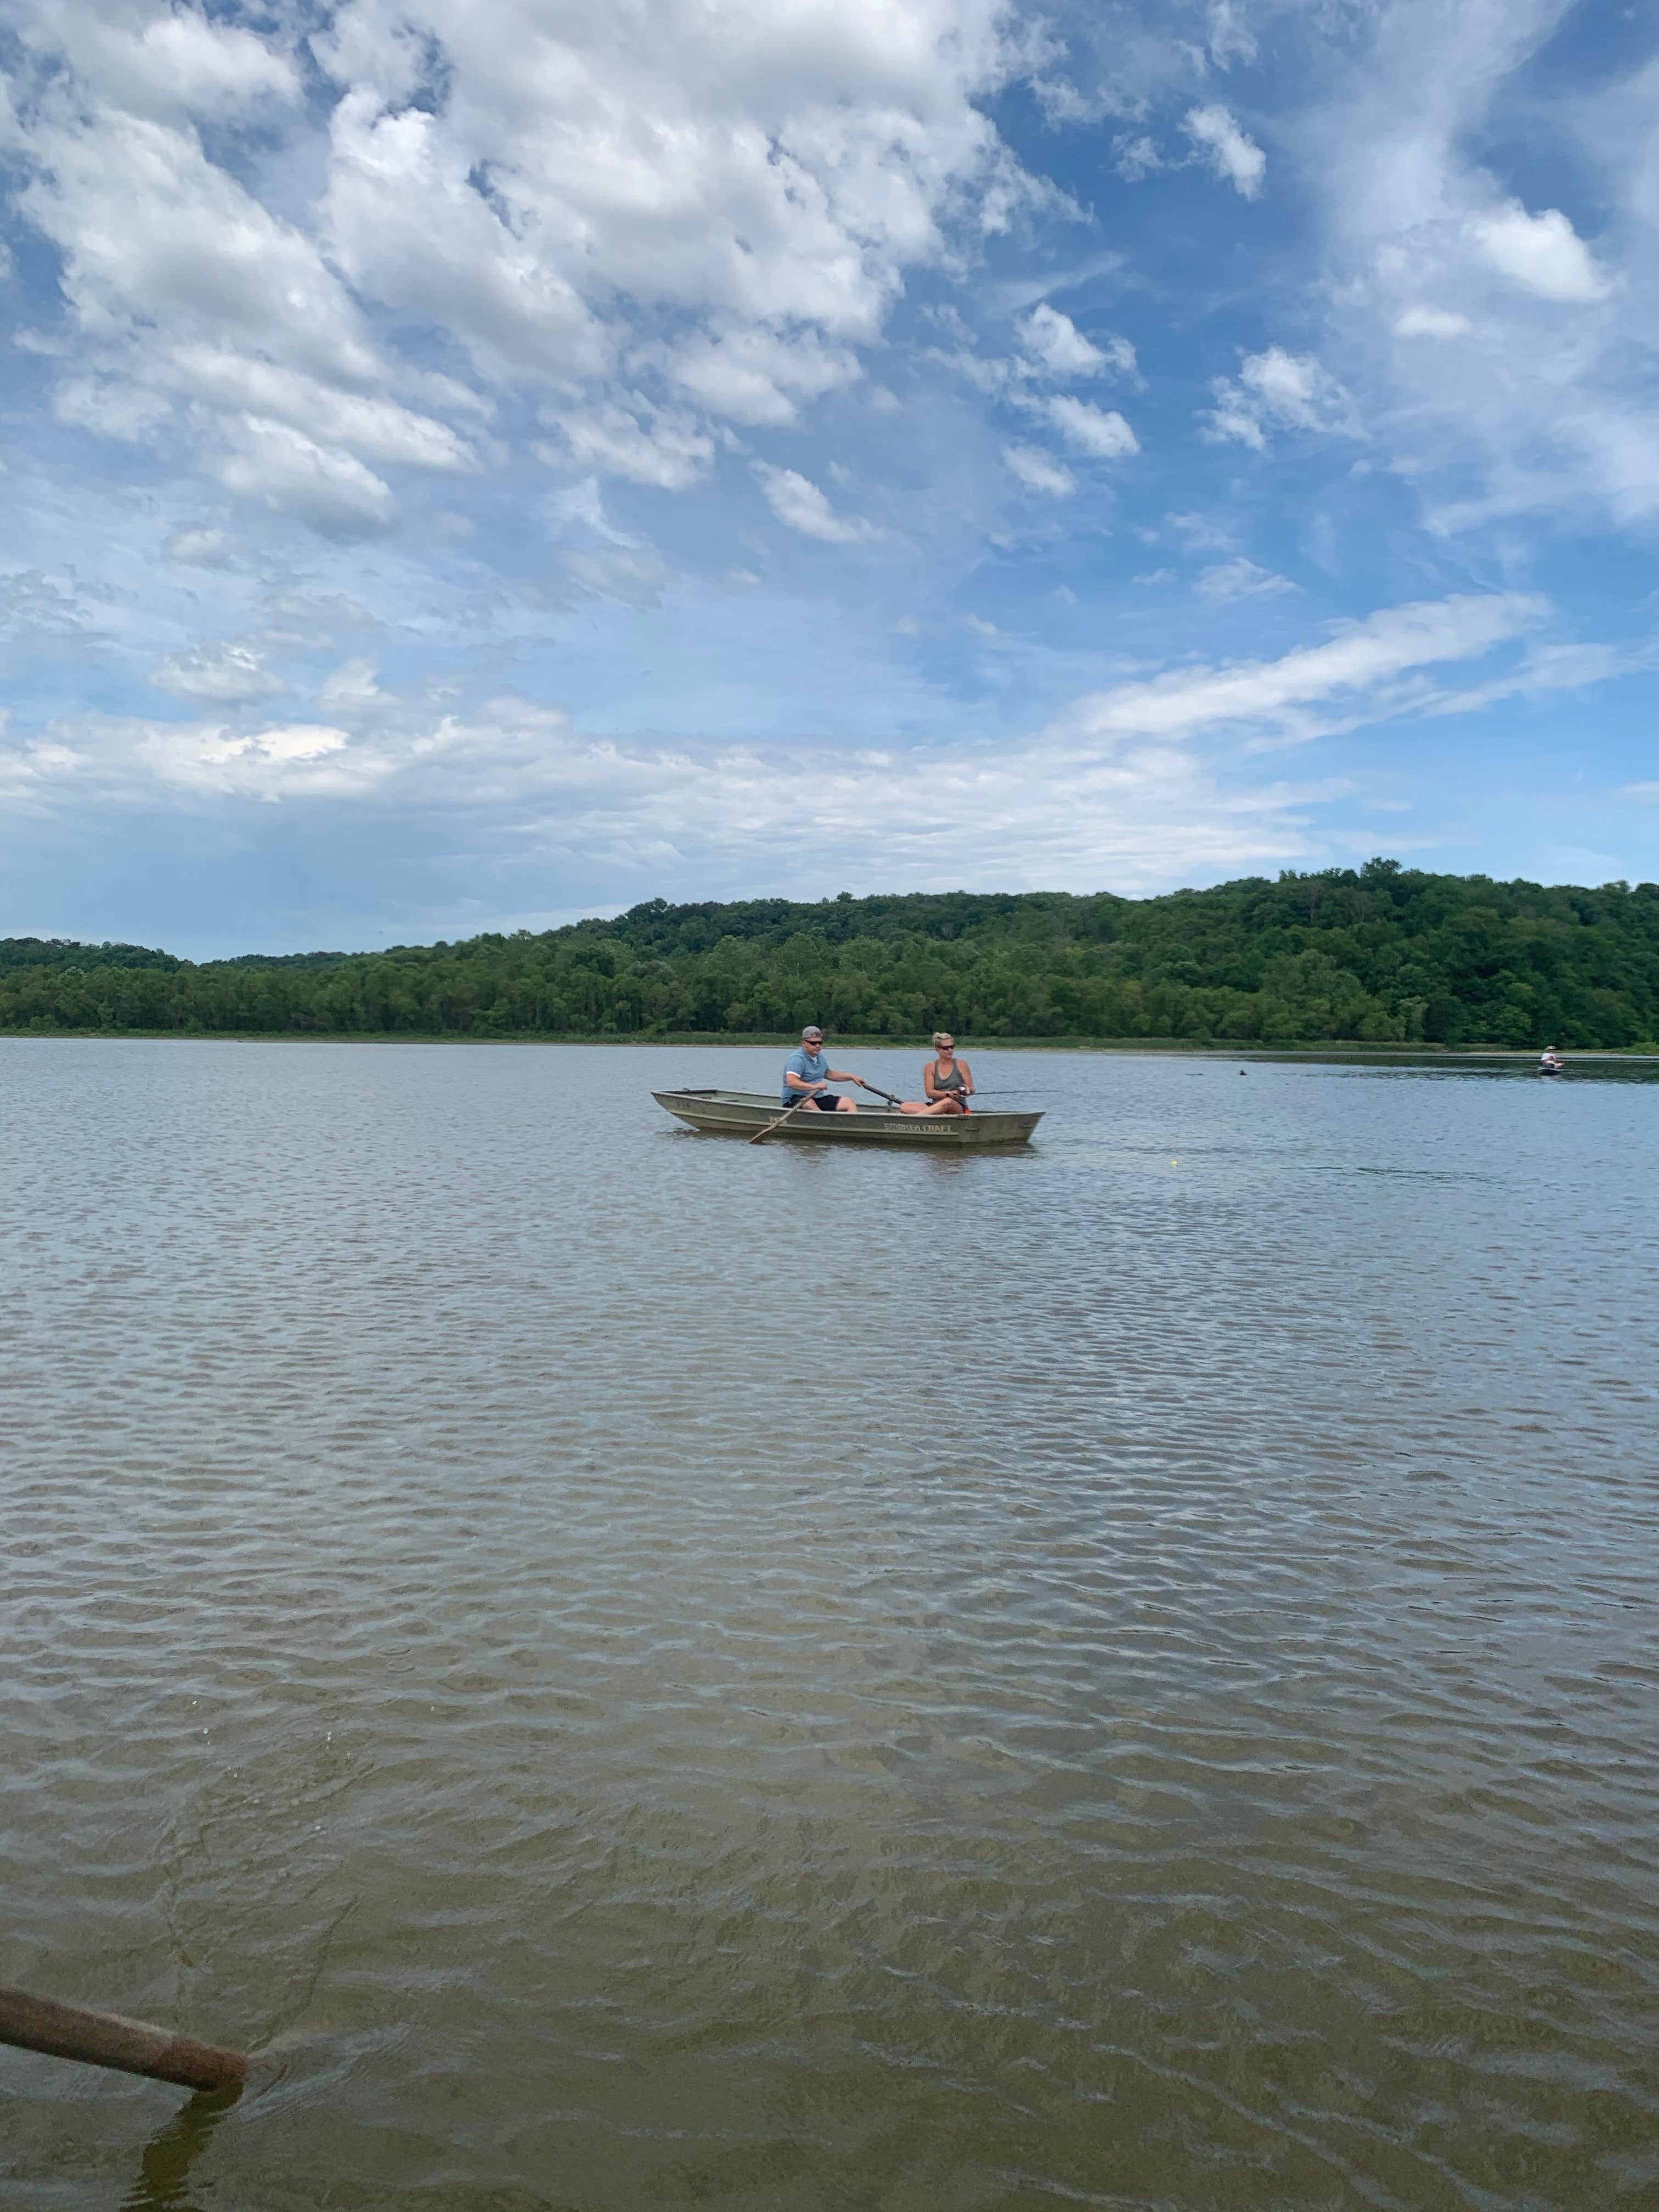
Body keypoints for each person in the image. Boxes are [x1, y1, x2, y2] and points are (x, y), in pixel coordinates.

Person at [781, 1025, 861, 1113]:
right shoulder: (797, 1059)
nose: (818, 1046)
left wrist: (852, 1077)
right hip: (793, 1099)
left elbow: (829, 1074)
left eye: (820, 1043)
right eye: (813, 1043)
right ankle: (826, 1122)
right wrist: (814, 1087)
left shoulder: (820, 1058)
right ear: (804, 1043)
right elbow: (791, 1082)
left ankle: (852, 1125)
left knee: (849, 1103)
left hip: (818, 1097)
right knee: (809, 1104)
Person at [921, 1031, 974, 1114]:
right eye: (946, 1048)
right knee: (905, 1107)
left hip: (957, 1107)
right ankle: (930, 1114)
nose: (950, 1050)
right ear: (937, 1049)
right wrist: (948, 1094)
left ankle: (918, 1117)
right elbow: (930, 1093)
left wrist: (968, 1091)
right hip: (935, 1106)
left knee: (948, 1102)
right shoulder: (930, 1067)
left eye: (952, 1047)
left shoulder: (962, 1064)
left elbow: (972, 1089)